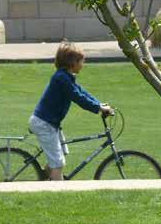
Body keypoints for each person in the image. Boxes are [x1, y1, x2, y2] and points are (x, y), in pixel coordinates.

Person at [29, 42, 113, 180]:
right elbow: (78, 97)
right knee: (58, 164)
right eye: (81, 61)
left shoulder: (66, 77)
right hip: (44, 124)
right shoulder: (61, 78)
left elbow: (81, 92)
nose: (83, 64)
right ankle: (58, 194)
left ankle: (43, 178)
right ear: (72, 62)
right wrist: (98, 108)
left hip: (50, 123)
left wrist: (99, 104)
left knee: (62, 152)